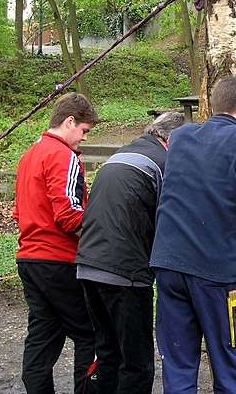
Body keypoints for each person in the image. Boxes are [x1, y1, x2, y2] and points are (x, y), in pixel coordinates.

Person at [150, 78, 236, 394]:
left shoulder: (181, 137)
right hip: (217, 275)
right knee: (228, 368)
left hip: (169, 265)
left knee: (178, 367)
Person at [76, 111, 185, 394]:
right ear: (171, 140)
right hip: (126, 274)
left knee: (108, 354)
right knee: (137, 364)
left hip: (87, 265)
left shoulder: (120, 155)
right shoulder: (163, 164)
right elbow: (171, 222)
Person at [13, 92, 98, 394]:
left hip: (28, 260)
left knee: (43, 334)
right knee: (92, 333)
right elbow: (69, 215)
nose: (84, 139)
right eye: (84, 131)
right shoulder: (63, 156)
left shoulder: (29, 156)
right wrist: (99, 231)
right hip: (58, 261)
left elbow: (17, 212)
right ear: (69, 121)